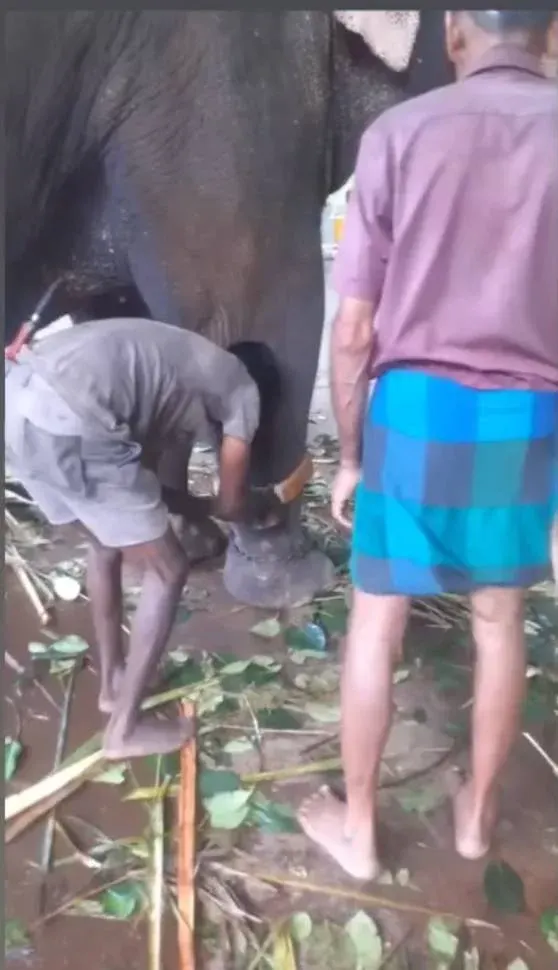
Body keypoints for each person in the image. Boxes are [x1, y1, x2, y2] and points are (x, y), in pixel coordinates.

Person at [299, 10, 558, 877]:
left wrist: (352, 455)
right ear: (551, 38)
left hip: (414, 412)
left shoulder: (398, 133)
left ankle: (360, 832)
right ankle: (477, 820)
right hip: (529, 414)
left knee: (378, 620)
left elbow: (354, 329)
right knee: (500, 618)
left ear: (452, 33)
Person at [5, 317, 282, 759]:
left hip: (18, 407)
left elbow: (142, 488)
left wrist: (197, 509)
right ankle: (124, 732)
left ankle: (113, 682)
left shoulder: (174, 367)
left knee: (104, 543)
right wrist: (258, 506)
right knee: (169, 570)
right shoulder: (243, 390)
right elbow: (231, 504)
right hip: (70, 419)